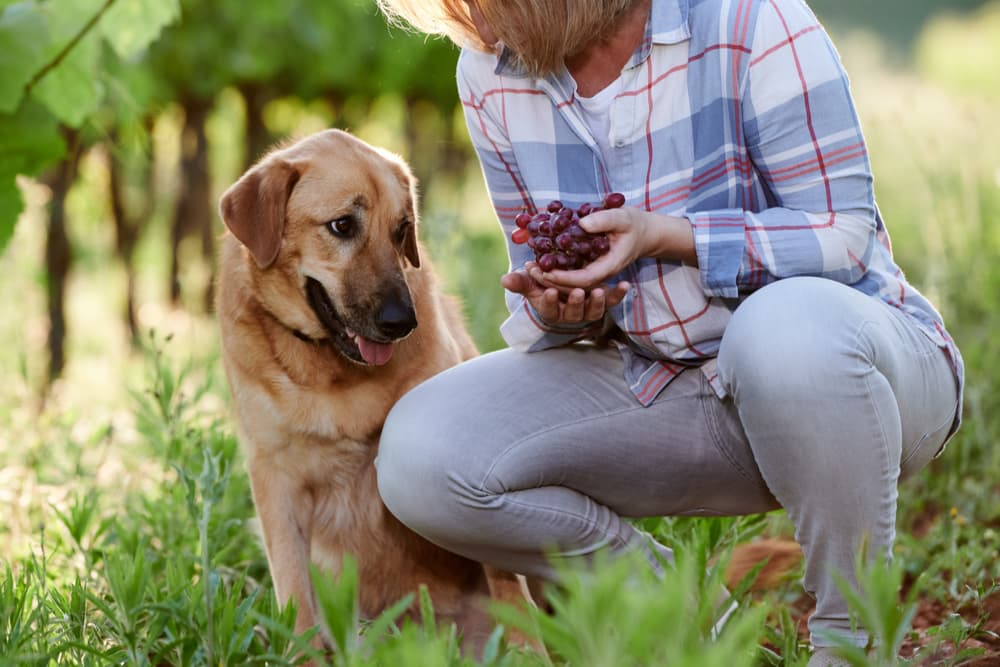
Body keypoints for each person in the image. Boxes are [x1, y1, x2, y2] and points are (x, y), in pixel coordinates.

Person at [373, 0, 963, 664]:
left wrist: (669, 236)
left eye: (481, 0)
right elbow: (538, 265)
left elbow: (844, 236)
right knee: (421, 455)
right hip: (668, 383)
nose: (473, 24)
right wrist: (565, 307)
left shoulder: (749, 20)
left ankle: (852, 642)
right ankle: (679, 610)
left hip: (859, 381)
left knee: (776, 335)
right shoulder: (489, 69)